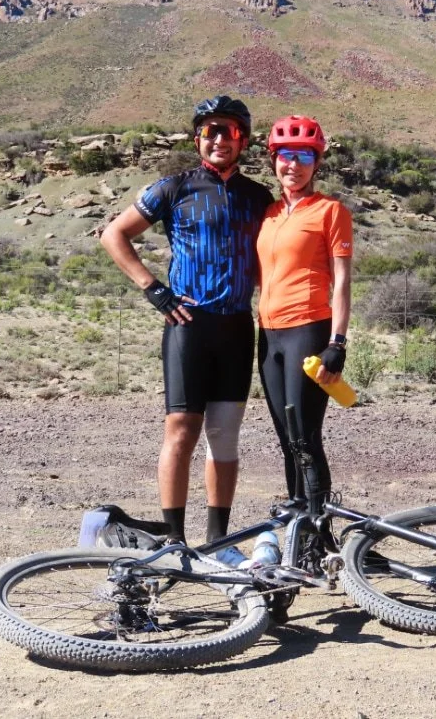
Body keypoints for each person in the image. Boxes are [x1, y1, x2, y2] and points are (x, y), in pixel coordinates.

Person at [100, 96, 273, 552]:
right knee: (181, 427)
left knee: (224, 432)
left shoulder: (260, 197)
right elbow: (113, 234)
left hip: (236, 325)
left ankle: (219, 540)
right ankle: (175, 540)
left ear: (244, 140)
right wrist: (153, 289)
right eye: (211, 130)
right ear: (199, 138)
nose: (220, 139)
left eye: (230, 131)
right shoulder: (173, 187)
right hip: (187, 323)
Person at [255, 115, 353, 513]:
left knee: (305, 435)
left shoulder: (330, 211)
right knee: (285, 435)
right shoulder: (270, 213)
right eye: (284, 156)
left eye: (302, 156)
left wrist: (338, 343)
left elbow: (343, 281)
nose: (292, 165)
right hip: (269, 334)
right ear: (274, 160)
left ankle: (320, 535)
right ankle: (299, 517)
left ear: (316, 163)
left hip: (309, 330)